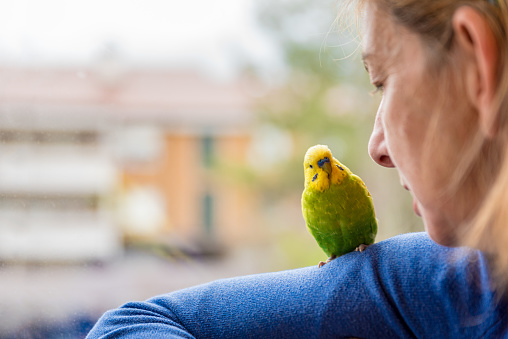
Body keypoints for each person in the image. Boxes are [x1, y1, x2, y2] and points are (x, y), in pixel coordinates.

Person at [86, 0, 508, 337]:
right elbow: (129, 325)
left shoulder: (452, 282)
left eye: (383, 81)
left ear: (478, 67)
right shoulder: (438, 282)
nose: (377, 147)